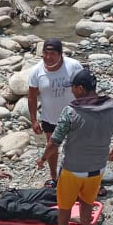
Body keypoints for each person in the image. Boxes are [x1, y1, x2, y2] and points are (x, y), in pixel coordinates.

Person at [37, 69, 113, 225]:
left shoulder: (70, 111)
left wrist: (43, 158)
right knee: (87, 203)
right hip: (97, 169)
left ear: (80, 88)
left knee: (65, 206)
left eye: (73, 88)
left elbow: (54, 142)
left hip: (72, 170)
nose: (71, 91)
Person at [28, 39, 83, 187]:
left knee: (77, 147)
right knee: (51, 147)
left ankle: (82, 177)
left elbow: (85, 89)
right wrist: (34, 120)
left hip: (74, 116)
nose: (48, 57)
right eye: (45, 53)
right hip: (50, 117)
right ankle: (53, 177)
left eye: (52, 53)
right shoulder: (36, 71)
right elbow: (32, 97)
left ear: (60, 54)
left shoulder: (74, 66)